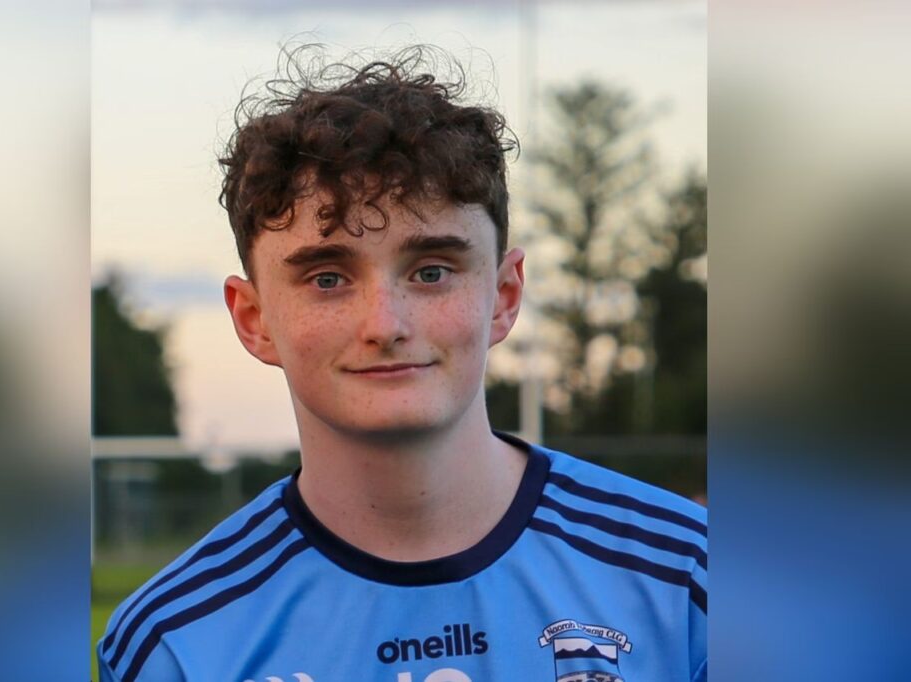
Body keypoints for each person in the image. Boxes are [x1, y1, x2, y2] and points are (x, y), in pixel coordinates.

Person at [97, 46, 706, 682]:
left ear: (504, 297)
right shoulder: (174, 643)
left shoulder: (691, 582)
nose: (385, 324)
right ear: (254, 320)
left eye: (432, 272)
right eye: (327, 278)